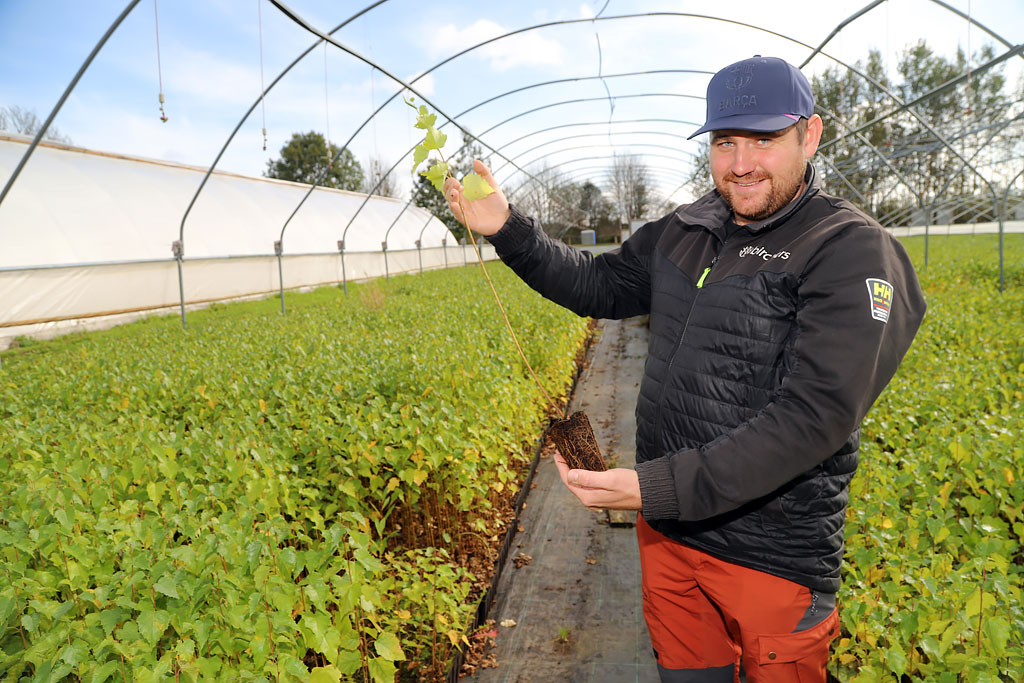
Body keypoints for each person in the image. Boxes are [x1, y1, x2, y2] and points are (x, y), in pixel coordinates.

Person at [443, 55, 926, 683]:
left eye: (764, 139)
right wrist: (509, 230)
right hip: (670, 539)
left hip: (771, 555)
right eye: (725, 142)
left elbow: (815, 417)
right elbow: (601, 284)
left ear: (810, 134)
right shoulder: (687, 230)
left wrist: (654, 487)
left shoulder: (846, 248)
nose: (741, 163)